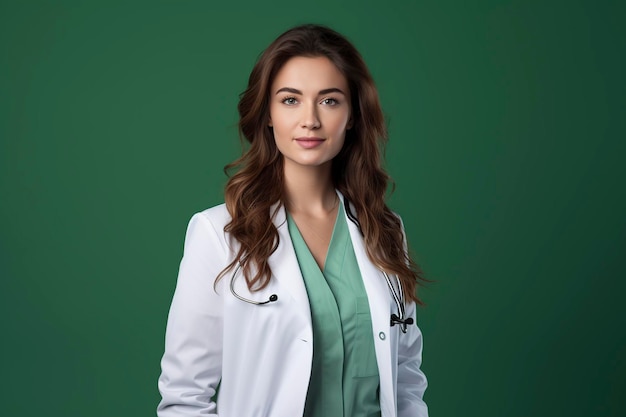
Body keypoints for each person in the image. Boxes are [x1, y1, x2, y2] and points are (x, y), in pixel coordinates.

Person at [157, 24, 428, 417]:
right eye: (290, 100)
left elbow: (405, 377)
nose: (310, 121)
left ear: (352, 115)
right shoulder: (217, 234)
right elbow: (185, 398)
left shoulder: (385, 230)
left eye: (330, 101)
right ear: (267, 114)